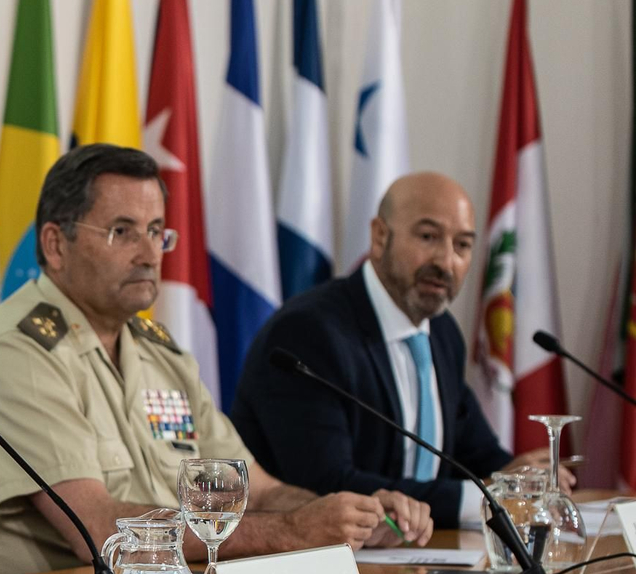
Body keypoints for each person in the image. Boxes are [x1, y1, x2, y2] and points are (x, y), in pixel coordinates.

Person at [0, 144, 433, 574]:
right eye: (123, 231)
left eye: (156, 231)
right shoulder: (19, 353)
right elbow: (95, 528)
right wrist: (291, 533)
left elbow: (257, 492)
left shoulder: (159, 352)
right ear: (55, 244)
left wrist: (353, 517)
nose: (150, 253)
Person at [232, 172, 565, 529]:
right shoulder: (308, 333)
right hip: (312, 567)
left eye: (463, 245)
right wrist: (478, 498)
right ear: (379, 237)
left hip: (416, 555)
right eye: (427, 237)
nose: (446, 261)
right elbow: (324, 484)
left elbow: (475, 450)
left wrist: (515, 478)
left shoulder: (440, 331)